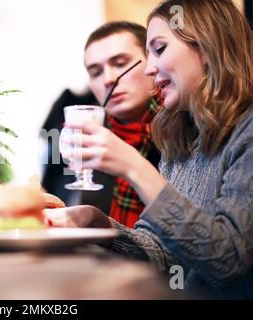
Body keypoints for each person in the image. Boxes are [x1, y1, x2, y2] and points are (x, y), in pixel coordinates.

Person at [47, 0, 253, 299]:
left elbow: (227, 261)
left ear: (207, 46)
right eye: (94, 71)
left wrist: (135, 168)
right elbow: (166, 255)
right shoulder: (179, 134)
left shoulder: (245, 132)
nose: (150, 68)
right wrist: (102, 225)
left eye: (159, 49)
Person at [42, 21, 160, 228]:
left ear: (153, 63)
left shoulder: (182, 132)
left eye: (121, 63)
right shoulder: (88, 143)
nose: (108, 79)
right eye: (95, 72)